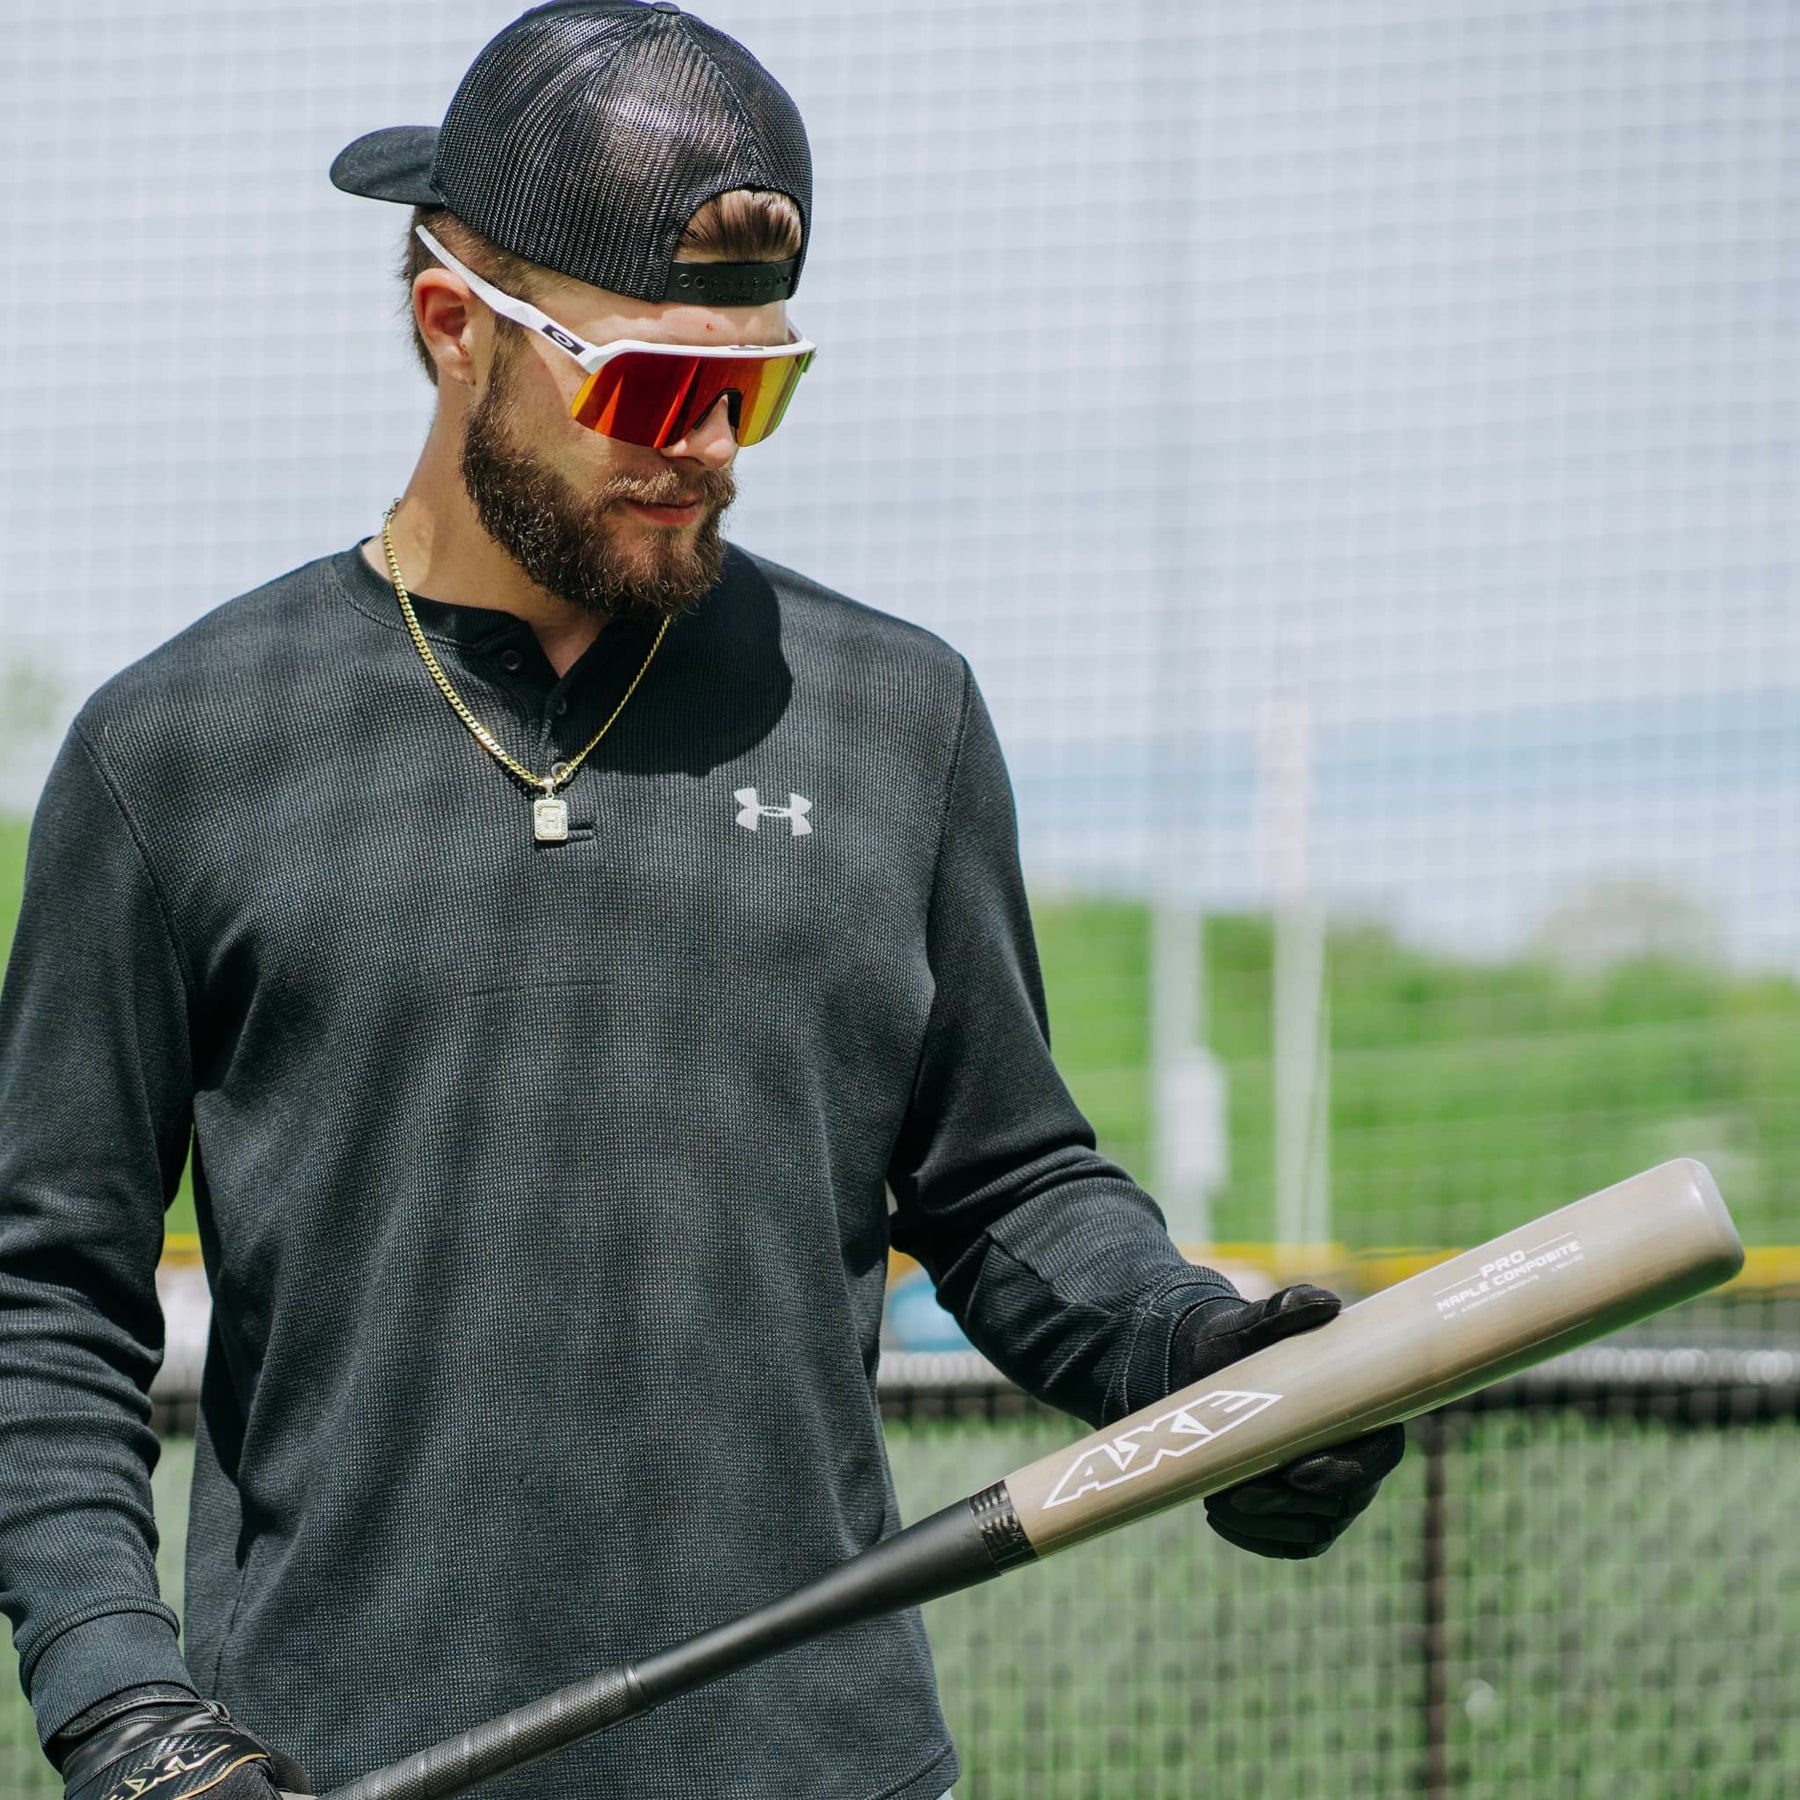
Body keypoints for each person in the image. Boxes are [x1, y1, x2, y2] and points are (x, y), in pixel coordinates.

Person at [0, 5, 1404, 1799]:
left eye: (758, 389)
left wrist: (1193, 1359)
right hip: (335, 1767)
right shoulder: (177, 750)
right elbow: (45, 1295)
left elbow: (1003, 1186)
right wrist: (117, 1706)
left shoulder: (898, 713)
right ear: (452, 327)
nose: (716, 447)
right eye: (655, 389)